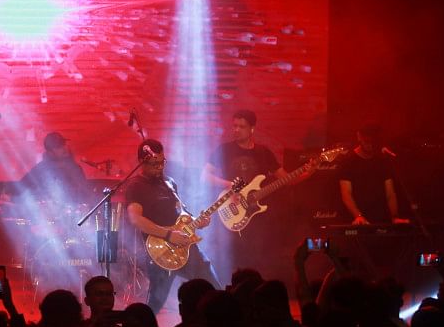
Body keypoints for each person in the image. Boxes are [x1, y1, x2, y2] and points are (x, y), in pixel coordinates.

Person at [203, 109, 313, 275]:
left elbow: (287, 180)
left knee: (258, 261)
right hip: (231, 211)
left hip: (257, 217)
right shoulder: (224, 149)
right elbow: (205, 177)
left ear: (252, 129)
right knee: (231, 261)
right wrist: (230, 186)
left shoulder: (263, 153)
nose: (236, 130)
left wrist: (308, 173)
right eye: (234, 126)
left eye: (241, 126)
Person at [125, 139, 221, 313]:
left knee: (213, 288)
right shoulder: (135, 186)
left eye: (162, 162)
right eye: (154, 164)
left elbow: (181, 213)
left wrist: (197, 221)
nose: (159, 167)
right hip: (160, 251)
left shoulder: (169, 182)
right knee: (155, 304)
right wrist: (169, 235)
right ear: (141, 162)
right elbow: (136, 219)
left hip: (185, 247)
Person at [338, 123, 409, 225]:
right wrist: (358, 216)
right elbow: (346, 194)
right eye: (367, 140)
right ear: (359, 137)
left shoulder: (382, 160)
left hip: (382, 220)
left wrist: (394, 217)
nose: (370, 143)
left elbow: (390, 193)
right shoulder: (348, 161)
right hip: (358, 222)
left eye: (373, 140)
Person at [19, 131, 88, 203]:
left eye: (64, 144)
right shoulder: (40, 170)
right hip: (51, 208)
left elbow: (86, 191)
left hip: (75, 208)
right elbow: (21, 187)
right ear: (50, 152)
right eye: (58, 147)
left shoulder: (76, 168)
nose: (64, 148)